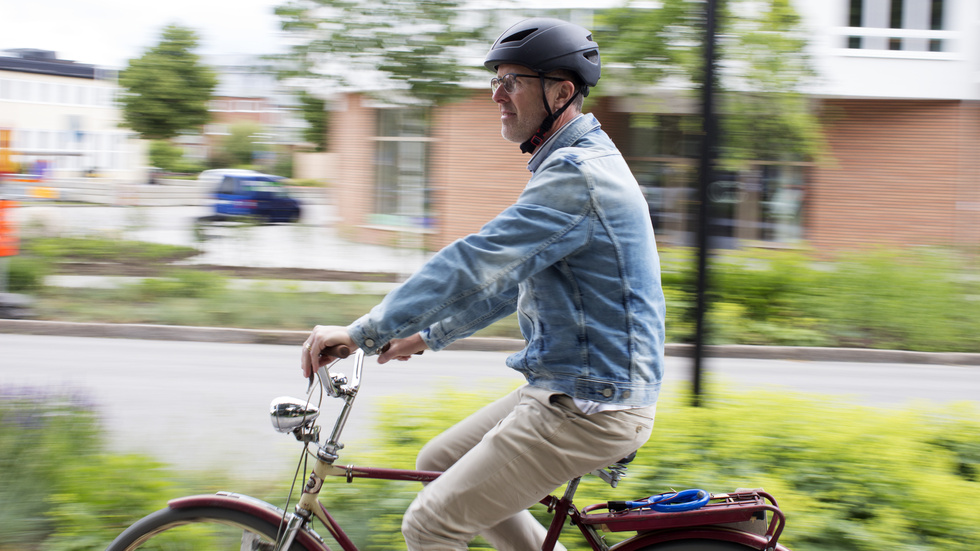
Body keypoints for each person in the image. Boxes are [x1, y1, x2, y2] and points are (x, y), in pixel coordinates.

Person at [300, 17, 666, 551]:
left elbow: (476, 262)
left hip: (591, 404)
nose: (495, 94)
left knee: (429, 524)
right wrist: (427, 335)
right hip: (576, 387)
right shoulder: (574, 164)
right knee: (438, 463)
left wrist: (363, 332)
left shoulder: (577, 175)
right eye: (496, 78)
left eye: (512, 80)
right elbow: (506, 278)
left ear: (562, 92)